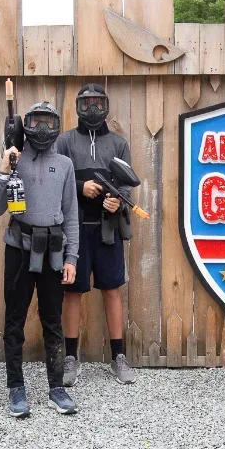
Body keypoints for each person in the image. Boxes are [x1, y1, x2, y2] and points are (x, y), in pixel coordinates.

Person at [0, 101, 79, 418]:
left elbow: (71, 216)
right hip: (19, 246)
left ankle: (57, 387)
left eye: (48, 122)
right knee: (14, 321)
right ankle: (16, 387)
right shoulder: (14, 159)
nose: (42, 129)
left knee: (52, 320)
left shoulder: (65, 164)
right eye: (36, 122)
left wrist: (72, 257)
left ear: (56, 126)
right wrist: (4, 171)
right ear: (26, 125)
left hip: (53, 250)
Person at [56, 83, 135, 386]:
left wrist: (118, 200)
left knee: (112, 290)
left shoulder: (118, 144)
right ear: (78, 106)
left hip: (107, 228)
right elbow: (56, 178)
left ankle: (119, 357)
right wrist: (80, 187)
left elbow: (127, 183)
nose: (92, 109)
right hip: (73, 229)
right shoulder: (64, 141)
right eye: (87, 103)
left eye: (97, 103)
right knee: (72, 292)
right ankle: (70, 357)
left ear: (106, 106)